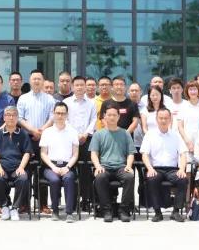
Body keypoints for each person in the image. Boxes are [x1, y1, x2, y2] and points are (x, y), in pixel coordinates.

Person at [141, 106, 190, 222]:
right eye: (161, 118)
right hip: (156, 169)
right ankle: (157, 212)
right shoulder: (150, 135)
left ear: (170, 119)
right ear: (156, 119)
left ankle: (176, 212)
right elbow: (144, 154)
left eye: (166, 118)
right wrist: (150, 168)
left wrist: (182, 169)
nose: (163, 120)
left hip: (172, 169)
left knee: (183, 179)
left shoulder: (176, 135)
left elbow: (183, 154)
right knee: (151, 179)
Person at [90, 102, 136, 223]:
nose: (111, 117)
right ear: (104, 116)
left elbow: (131, 153)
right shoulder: (98, 134)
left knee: (129, 177)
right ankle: (106, 210)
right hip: (104, 167)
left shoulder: (125, 133)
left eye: (114, 115)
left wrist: (128, 166)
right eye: (109, 115)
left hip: (121, 167)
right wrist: (97, 166)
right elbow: (94, 153)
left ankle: (124, 210)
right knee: (100, 177)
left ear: (118, 117)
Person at [0, 106, 33, 220]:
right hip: (2, 167)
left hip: (17, 167)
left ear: (17, 118)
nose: (11, 117)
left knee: (23, 179)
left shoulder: (23, 134)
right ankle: (4, 206)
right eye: (8, 115)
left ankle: (15, 208)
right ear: (4, 117)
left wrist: (21, 167)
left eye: (14, 115)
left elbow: (27, 153)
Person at [40, 102, 79, 222]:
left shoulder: (73, 132)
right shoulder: (47, 132)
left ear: (67, 115)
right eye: (58, 113)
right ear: (53, 114)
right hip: (50, 166)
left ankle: (69, 212)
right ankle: (55, 211)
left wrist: (68, 167)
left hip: (67, 166)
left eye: (63, 113)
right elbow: (43, 153)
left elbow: (75, 154)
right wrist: (53, 167)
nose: (60, 116)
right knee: (54, 180)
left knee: (69, 178)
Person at [63, 76, 96, 212]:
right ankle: (73, 200)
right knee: (71, 169)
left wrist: (86, 134)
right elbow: (64, 120)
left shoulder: (91, 103)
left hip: (87, 140)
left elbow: (94, 119)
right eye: (77, 85)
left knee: (86, 170)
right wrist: (76, 134)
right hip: (70, 139)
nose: (80, 87)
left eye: (82, 85)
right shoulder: (66, 102)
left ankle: (86, 199)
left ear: (85, 87)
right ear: (72, 86)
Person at [174, 81, 199, 153]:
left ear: (198, 90)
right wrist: (187, 141)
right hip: (186, 142)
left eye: (195, 89)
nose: (193, 92)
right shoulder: (183, 106)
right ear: (187, 91)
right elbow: (180, 126)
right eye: (190, 89)